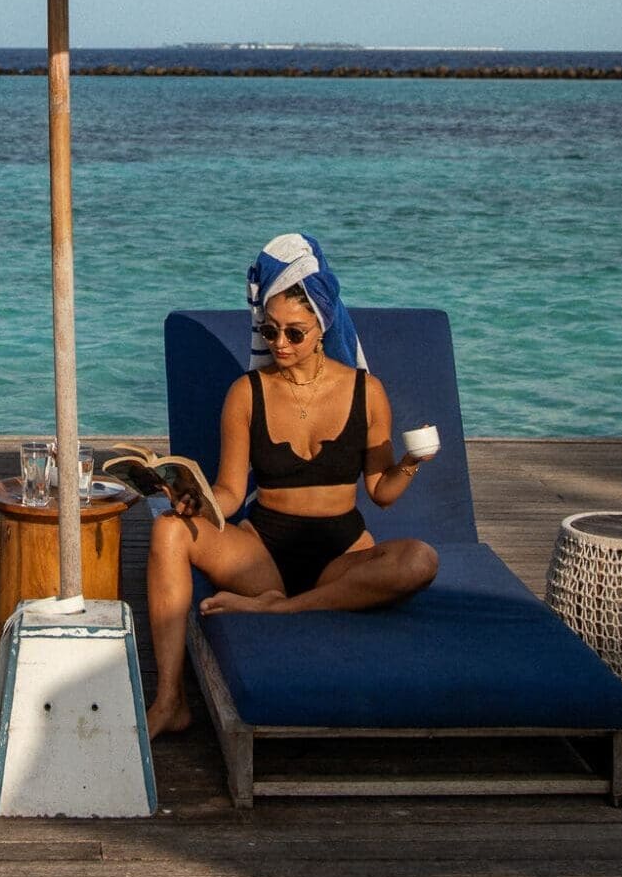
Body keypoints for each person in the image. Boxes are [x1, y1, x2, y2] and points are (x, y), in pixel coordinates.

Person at [146, 231, 439, 738]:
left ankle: (281, 610)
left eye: (294, 333)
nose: (279, 343)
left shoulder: (367, 393)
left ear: (322, 327)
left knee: (421, 560)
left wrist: (412, 461)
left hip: (339, 555)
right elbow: (232, 493)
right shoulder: (246, 393)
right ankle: (170, 699)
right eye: (270, 329)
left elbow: (382, 492)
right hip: (263, 550)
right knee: (168, 530)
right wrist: (194, 499)